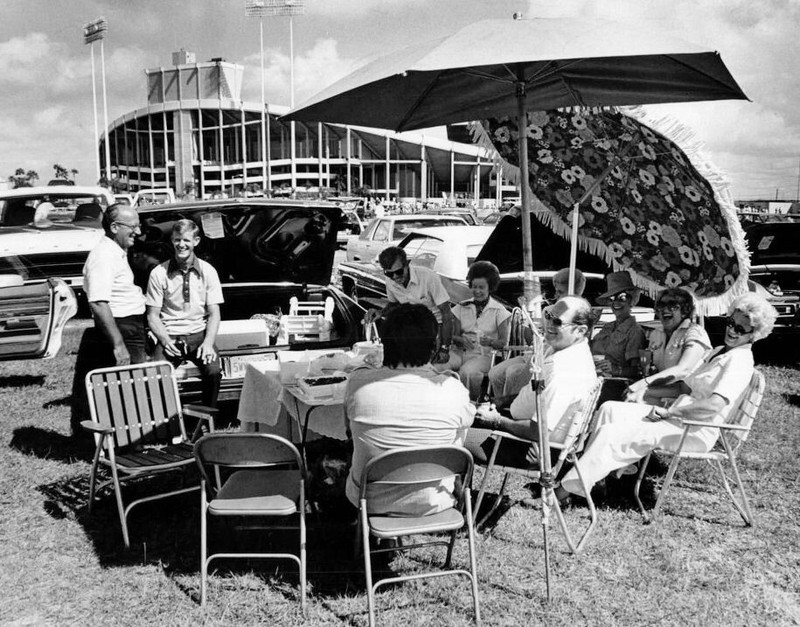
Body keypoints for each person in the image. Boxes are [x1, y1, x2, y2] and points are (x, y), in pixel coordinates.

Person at [558, 292, 777, 501]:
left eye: (741, 329)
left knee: (612, 432)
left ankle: (561, 492)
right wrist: (646, 391)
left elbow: (713, 406)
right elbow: (684, 389)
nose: (733, 331)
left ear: (755, 335)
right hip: (679, 418)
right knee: (610, 409)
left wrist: (669, 411)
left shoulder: (739, 362)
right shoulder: (721, 350)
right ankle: (598, 481)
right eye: (731, 323)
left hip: (695, 429)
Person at [344, 303, 475, 516]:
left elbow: (348, 433)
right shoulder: (453, 389)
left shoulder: (358, 382)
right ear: (434, 347)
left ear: (385, 345)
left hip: (369, 499)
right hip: (434, 499)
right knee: (459, 429)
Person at [465, 296, 598, 466]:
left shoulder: (565, 371)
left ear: (580, 330)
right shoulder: (564, 350)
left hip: (532, 446)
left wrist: (496, 421)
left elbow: (538, 431)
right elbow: (536, 392)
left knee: (452, 432)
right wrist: (501, 401)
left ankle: (452, 490)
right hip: (520, 428)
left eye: (558, 321)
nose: (549, 324)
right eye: (549, 316)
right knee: (462, 416)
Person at [71, 203, 146, 434]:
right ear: (114, 227)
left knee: (131, 386)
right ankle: (123, 443)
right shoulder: (103, 256)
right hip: (121, 328)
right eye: (132, 226)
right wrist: (118, 344)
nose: (138, 231)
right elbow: (98, 303)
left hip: (130, 325)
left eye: (138, 225)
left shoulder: (116, 252)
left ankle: (128, 438)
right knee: (126, 388)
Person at [145, 219, 224, 407]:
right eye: (177, 240)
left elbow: (214, 313)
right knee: (155, 376)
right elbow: (152, 316)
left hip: (199, 336)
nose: (181, 244)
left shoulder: (208, 271)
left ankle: (205, 422)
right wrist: (165, 341)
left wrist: (208, 343)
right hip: (170, 336)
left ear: (196, 241)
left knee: (214, 372)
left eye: (186, 240)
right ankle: (166, 424)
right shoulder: (158, 273)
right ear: (172, 241)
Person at [488, 267, 586, 407]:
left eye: (560, 292)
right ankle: (503, 405)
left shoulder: (581, 316)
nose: (557, 296)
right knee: (495, 373)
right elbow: (535, 340)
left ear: (574, 292)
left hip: (547, 357)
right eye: (556, 291)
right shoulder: (549, 310)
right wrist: (527, 320)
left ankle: (512, 408)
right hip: (536, 352)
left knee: (512, 373)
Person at [435, 261, 510, 400]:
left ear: (490, 287)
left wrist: (491, 341)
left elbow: (504, 343)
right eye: (474, 287)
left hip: (484, 355)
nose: (477, 291)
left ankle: (470, 403)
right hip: (460, 352)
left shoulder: (499, 311)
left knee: (467, 372)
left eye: (481, 287)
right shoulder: (462, 307)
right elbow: (453, 335)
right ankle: (443, 401)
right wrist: (459, 339)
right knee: (438, 366)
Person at [625, 287, 711, 404]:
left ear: (685, 311)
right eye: (661, 305)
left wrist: (643, 383)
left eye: (672, 305)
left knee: (632, 400)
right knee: (628, 398)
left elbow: (683, 369)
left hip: (688, 396)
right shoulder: (656, 334)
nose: (665, 310)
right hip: (664, 391)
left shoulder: (694, 332)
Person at [364, 246, 455, 346]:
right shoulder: (390, 281)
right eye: (389, 274)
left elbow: (446, 312)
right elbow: (394, 305)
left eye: (398, 272)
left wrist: (445, 347)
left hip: (437, 326)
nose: (394, 277)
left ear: (407, 264)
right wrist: (380, 312)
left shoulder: (428, 277)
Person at [591, 270, 646, 379]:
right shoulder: (607, 327)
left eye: (622, 298)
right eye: (611, 299)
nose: (616, 303)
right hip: (595, 379)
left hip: (615, 385)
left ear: (631, 301)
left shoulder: (635, 331)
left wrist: (615, 369)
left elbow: (638, 371)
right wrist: (590, 326)